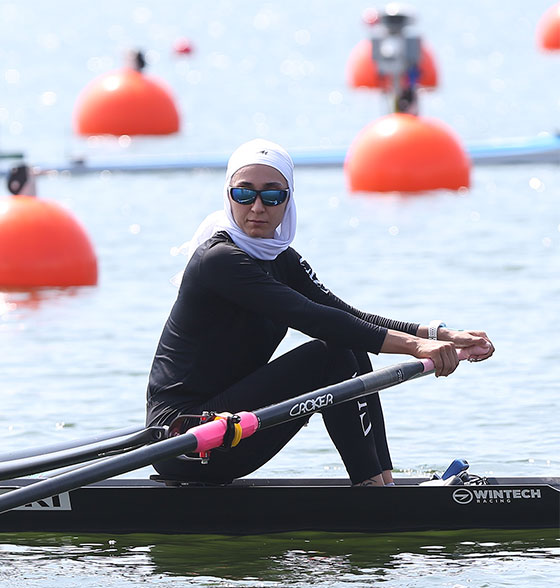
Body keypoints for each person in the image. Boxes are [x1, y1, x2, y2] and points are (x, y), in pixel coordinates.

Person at [145, 139, 494, 486]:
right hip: (184, 439)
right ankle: (373, 491)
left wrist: (440, 335)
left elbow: (345, 315)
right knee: (331, 351)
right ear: (228, 196)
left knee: (348, 341)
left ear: (288, 200)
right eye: (244, 194)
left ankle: (382, 481)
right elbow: (310, 316)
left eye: (272, 195)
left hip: (230, 428)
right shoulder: (219, 260)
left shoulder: (281, 259)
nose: (257, 207)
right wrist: (416, 349)